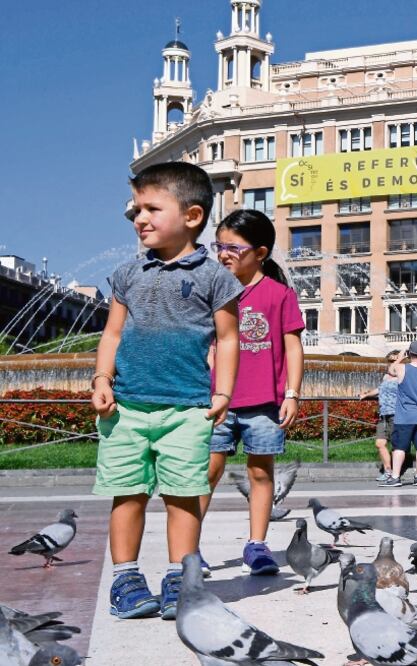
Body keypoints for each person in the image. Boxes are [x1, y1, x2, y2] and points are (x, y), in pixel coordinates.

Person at [90, 162, 243, 619]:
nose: (140, 218)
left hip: (188, 407)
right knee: (127, 493)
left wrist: (223, 393)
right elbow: (112, 335)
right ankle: (126, 579)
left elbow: (229, 337)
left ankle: (181, 576)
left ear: (192, 216)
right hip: (127, 406)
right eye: (137, 209)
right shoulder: (127, 274)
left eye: (152, 208)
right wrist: (102, 379)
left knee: (183, 495)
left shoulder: (215, 277)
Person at [199, 209, 305, 576]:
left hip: (264, 404)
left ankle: (256, 546)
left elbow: (292, 347)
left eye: (233, 247)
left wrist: (291, 393)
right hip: (219, 404)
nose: (223, 253)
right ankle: (189, 546)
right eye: (219, 246)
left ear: (260, 253)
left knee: (261, 474)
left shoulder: (279, 295)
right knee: (206, 472)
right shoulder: (212, 292)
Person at [381, 340, 417, 487]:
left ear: (410, 353)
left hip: (404, 417)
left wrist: (400, 356)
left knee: (399, 448)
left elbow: (390, 371)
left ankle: (395, 477)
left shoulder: (402, 368)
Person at [358, 350, 401, 483]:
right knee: (380, 443)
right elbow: (380, 389)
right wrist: (367, 394)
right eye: (390, 361)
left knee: (396, 445)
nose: (391, 364)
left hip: (396, 413)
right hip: (383, 414)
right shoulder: (386, 377)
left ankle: (395, 473)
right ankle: (388, 471)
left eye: (394, 361)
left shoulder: (402, 375)